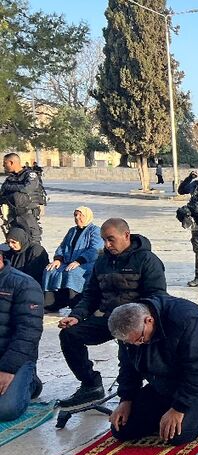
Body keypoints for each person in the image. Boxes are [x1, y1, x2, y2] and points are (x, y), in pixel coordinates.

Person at [57, 219, 167, 408]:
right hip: (109, 319)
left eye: (111, 239)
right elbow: (90, 295)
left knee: (128, 352)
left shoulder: (147, 260)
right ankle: (90, 384)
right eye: (104, 240)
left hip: (138, 321)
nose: (107, 245)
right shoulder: (102, 261)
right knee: (69, 334)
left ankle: (131, 397)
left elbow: (157, 297)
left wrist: (139, 321)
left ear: (126, 235)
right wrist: (76, 316)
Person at [107, 295, 198, 445]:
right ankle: (168, 413)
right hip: (163, 384)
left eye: (141, 340)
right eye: (131, 343)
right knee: (121, 429)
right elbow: (128, 367)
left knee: (177, 435)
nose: (138, 345)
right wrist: (126, 400)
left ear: (149, 320)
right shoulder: (130, 331)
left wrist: (178, 409)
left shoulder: (186, 319)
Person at [0, 253, 43, 421]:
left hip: (14, 360)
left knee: (5, 409)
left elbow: (29, 332)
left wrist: (8, 369)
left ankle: (30, 382)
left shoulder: (24, 285)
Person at [43, 207, 103, 312]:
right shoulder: (72, 230)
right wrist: (58, 259)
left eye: (81, 215)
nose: (77, 218)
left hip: (87, 263)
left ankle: (75, 305)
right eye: (75, 215)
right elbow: (62, 246)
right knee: (50, 270)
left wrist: (79, 261)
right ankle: (51, 304)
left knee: (73, 272)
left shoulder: (95, 231)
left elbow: (96, 249)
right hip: (68, 262)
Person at [0, 153, 44, 244]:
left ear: (11, 162)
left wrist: (11, 188)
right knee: (14, 242)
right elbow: (2, 194)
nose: (3, 165)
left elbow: (27, 188)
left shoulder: (30, 175)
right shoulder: (9, 179)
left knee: (33, 241)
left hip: (28, 215)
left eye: (5, 163)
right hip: (13, 216)